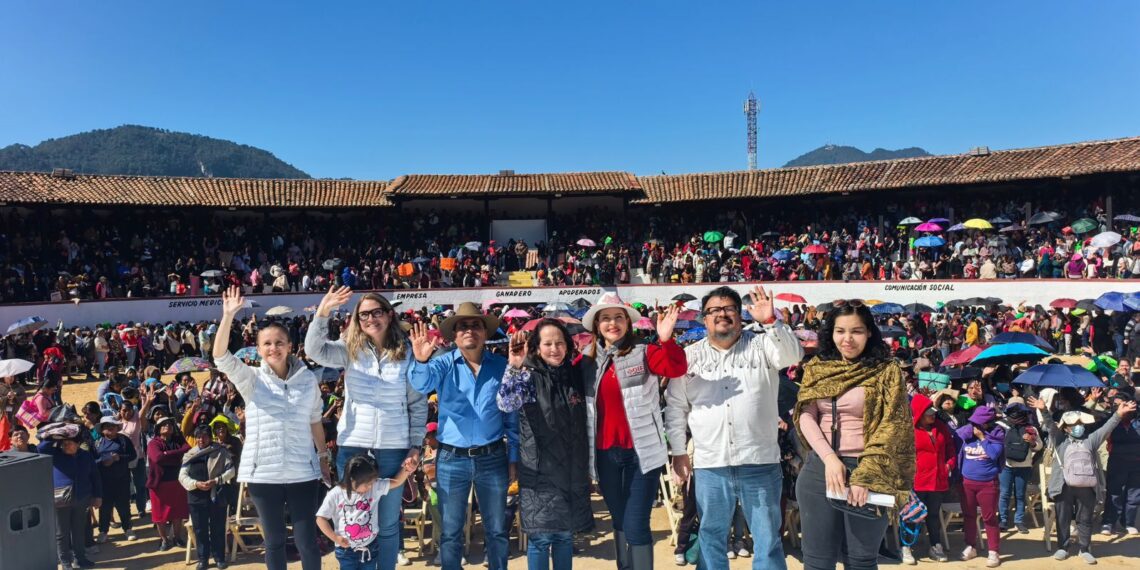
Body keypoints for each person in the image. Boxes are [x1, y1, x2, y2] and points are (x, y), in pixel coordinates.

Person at [664, 286, 802, 570]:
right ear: (704, 319)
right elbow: (676, 407)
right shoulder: (688, 357)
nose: (721, 314)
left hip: (760, 462)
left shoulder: (763, 345)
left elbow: (791, 355)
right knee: (711, 537)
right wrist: (678, 451)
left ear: (739, 316)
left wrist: (772, 322)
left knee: (767, 541)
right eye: (714, 310)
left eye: (728, 309)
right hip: (710, 465)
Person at [305, 286, 428, 570]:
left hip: (393, 447)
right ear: (356, 321)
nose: (370, 319)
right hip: (353, 444)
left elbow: (417, 404)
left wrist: (415, 444)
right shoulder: (349, 350)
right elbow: (314, 349)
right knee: (350, 517)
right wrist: (323, 312)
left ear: (388, 314)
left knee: (386, 523)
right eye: (363, 315)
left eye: (376, 312)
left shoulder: (408, 353)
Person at [213, 286, 330, 570]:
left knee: (307, 541)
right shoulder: (250, 379)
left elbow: (315, 419)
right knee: (275, 541)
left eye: (279, 342)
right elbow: (220, 357)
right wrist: (228, 316)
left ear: (290, 346)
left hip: (303, 472)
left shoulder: (308, 380)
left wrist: (324, 457)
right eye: (267, 344)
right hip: (263, 474)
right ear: (258, 349)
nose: (273, 348)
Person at [793, 299, 915, 570]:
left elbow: (893, 425)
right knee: (816, 562)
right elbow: (806, 415)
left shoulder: (886, 371)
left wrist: (866, 474)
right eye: (840, 331)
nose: (847, 339)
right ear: (831, 332)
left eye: (856, 331)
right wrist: (829, 459)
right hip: (820, 470)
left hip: (869, 470)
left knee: (861, 561)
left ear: (869, 332)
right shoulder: (817, 367)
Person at [408, 302, 518, 570]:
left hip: (492, 458)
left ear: (485, 332)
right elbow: (421, 384)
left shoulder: (501, 366)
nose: (470, 330)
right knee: (450, 533)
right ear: (455, 335)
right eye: (463, 326)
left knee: (496, 531)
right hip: (451, 460)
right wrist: (421, 360)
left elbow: (511, 417)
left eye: (476, 325)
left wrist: (513, 457)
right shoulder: (442, 363)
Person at [581, 293, 687, 570]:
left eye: (618, 317)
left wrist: (665, 340)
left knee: (636, 523)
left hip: (642, 454)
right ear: (596, 325)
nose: (612, 323)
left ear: (628, 322)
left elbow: (676, 368)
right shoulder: (586, 361)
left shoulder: (645, 352)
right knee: (619, 519)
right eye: (605, 318)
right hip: (605, 455)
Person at [497, 319, 592, 570]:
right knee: (540, 539)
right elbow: (506, 404)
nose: (554, 348)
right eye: (547, 343)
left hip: (571, 470)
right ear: (537, 348)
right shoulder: (528, 376)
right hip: (539, 472)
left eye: (559, 343)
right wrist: (514, 367)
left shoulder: (574, 375)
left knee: (564, 536)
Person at [1030, 395, 1137, 564]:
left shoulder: (1091, 440)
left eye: (1079, 424)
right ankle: (1062, 547)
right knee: (1062, 518)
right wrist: (1043, 410)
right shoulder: (1060, 440)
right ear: (1065, 428)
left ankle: (1084, 549)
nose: (1077, 427)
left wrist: (1118, 414)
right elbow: (1050, 426)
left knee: (1085, 519)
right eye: (1073, 425)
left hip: (1087, 487)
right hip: (1063, 486)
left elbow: (1107, 428)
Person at [317, 454, 416, 570]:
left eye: (372, 482)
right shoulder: (335, 494)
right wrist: (335, 537)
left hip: (370, 548)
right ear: (352, 480)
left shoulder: (374, 487)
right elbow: (320, 519)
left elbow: (397, 481)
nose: (370, 486)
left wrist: (407, 469)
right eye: (367, 484)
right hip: (346, 552)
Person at [39, 422, 101, 569]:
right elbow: (41, 448)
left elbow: (95, 477)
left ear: (78, 444)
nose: (65, 446)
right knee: (62, 533)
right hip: (61, 500)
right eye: (63, 443)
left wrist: (98, 496)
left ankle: (80, 559)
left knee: (79, 531)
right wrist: (56, 434)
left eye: (69, 443)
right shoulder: (55, 454)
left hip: (82, 498)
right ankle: (66, 562)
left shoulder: (86, 456)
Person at [906, 393, 956, 564]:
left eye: (933, 411)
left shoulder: (941, 427)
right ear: (919, 413)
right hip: (918, 480)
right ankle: (907, 547)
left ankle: (936, 545)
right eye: (929, 412)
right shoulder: (909, 430)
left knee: (933, 515)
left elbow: (950, 448)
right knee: (913, 514)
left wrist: (949, 464)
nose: (933, 415)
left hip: (938, 480)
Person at [178, 424, 237, 570]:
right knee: (200, 529)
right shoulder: (190, 454)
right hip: (196, 498)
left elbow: (232, 471)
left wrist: (216, 481)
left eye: (204, 436)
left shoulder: (221, 452)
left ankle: (219, 558)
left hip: (217, 496)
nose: (201, 439)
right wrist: (196, 483)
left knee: (217, 528)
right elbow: (182, 476)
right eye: (198, 436)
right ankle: (203, 559)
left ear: (210, 437)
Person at [955, 405, 1005, 566]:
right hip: (967, 482)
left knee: (989, 518)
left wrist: (983, 438)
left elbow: (994, 454)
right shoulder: (968, 432)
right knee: (969, 515)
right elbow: (954, 436)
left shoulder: (997, 433)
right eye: (974, 423)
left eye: (979, 423)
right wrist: (969, 430)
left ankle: (993, 551)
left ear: (988, 423)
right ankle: (971, 546)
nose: (975, 426)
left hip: (988, 483)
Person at [997, 403, 1042, 534]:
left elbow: (1039, 446)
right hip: (1006, 466)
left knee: (1020, 494)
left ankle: (1019, 521)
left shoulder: (1031, 429)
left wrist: (1032, 441)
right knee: (1004, 493)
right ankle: (1003, 520)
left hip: (1024, 466)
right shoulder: (1002, 427)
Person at [147, 416, 191, 551]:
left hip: (177, 481)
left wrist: (167, 454)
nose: (168, 426)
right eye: (164, 424)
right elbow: (157, 457)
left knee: (178, 512)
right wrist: (177, 456)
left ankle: (177, 537)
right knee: (160, 515)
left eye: (170, 424)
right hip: (159, 484)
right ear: (158, 429)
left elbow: (188, 449)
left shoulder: (179, 440)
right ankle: (164, 539)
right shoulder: (153, 443)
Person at [94, 416, 138, 544]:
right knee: (105, 507)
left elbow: (132, 455)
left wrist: (119, 458)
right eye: (107, 426)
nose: (110, 427)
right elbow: (92, 461)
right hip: (104, 482)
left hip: (122, 480)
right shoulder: (97, 443)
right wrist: (103, 461)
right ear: (102, 429)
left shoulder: (124, 440)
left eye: (112, 425)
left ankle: (128, 529)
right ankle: (103, 531)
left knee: (124, 506)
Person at [1101, 392, 1139, 535]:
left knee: (1134, 495)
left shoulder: (1137, 421)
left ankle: (1128, 522)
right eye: (1115, 405)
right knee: (1114, 493)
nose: (1119, 407)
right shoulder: (1112, 420)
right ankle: (1108, 522)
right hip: (1117, 461)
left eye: (1122, 404)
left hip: (1136, 463)